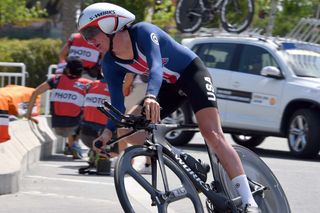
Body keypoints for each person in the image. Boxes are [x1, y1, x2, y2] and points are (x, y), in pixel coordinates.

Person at [77, 2, 260, 212]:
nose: (89, 40)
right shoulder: (109, 63)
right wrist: (107, 133)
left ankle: (249, 201)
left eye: (91, 32)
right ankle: (184, 158)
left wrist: (151, 96)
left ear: (111, 24)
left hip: (192, 74)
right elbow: (117, 102)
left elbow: (156, 65)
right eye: (84, 36)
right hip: (168, 86)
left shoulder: (143, 31)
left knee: (211, 133)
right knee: (126, 129)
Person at [26, 56, 91, 159]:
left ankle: (70, 146)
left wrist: (28, 113)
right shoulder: (86, 84)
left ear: (68, 69)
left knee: (70, 111)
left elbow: (35, 92)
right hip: (74, 126)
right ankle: (73, 144)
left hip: (56, 124)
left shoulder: (56, 79)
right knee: (86, 112)